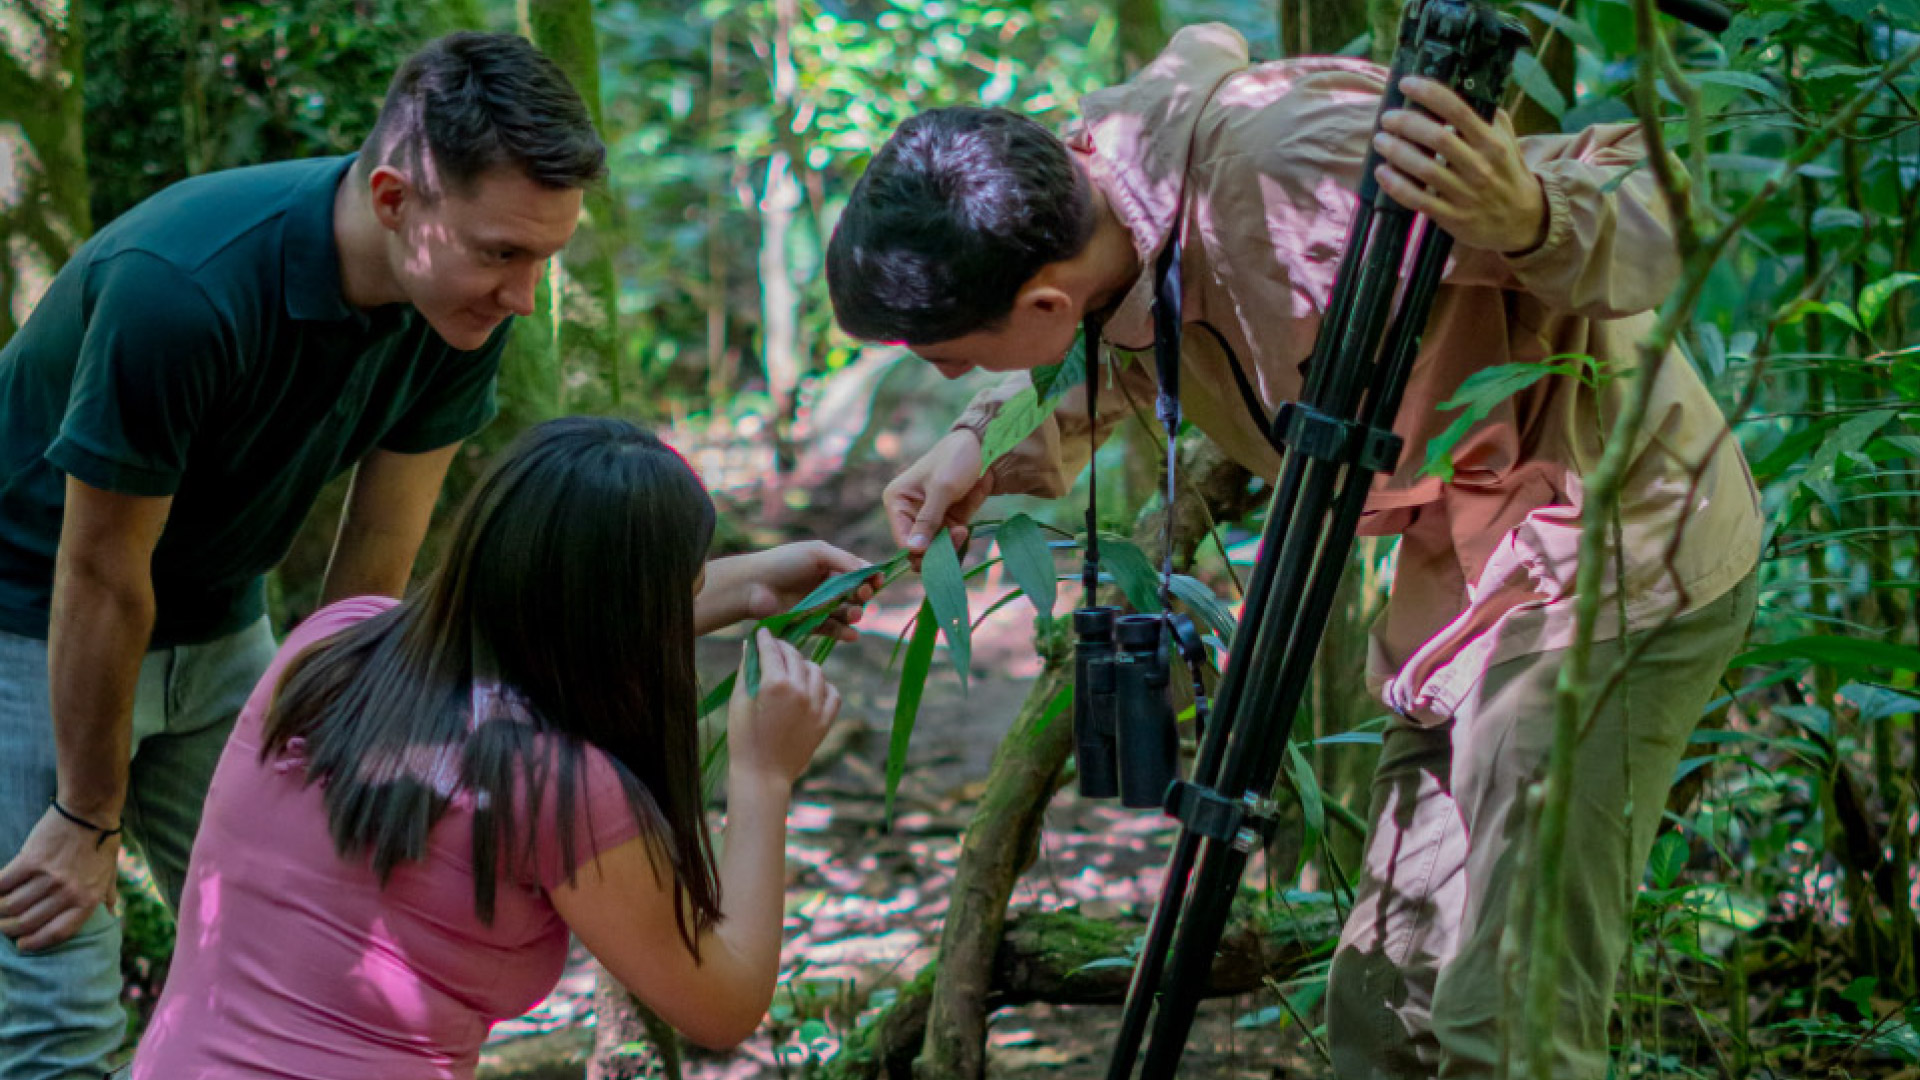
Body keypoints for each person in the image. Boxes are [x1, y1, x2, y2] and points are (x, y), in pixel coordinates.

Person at [827, 23, 1760, 1080]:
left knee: (1506, 1032)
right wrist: (980, 448)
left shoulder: (1295, 171)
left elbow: (1659, 209)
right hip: (1462, 598)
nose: (953, 379)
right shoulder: (1112, 206)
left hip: (1608, 561)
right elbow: (1138, 336)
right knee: (1386, 1012)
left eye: (951, 361)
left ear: (1040, 301)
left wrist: (1530, 215)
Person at [0, 31, 868, 1080]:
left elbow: (383, 591)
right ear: (395, 198)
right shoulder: (181, 289)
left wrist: (726, 588)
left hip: (225, 615)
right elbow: (98, 575)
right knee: (54, 991)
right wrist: (82, 812)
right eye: (502, 251)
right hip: (34, 612)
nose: (522, 293)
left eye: (545, 257)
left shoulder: (458, 310)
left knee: (292, 913)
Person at [125, 417, 845, 1078]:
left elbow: (546, 634)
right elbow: (723, 1004)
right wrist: (762, 775)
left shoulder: (331, 642)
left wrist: (750, 584)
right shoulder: (560, 789)